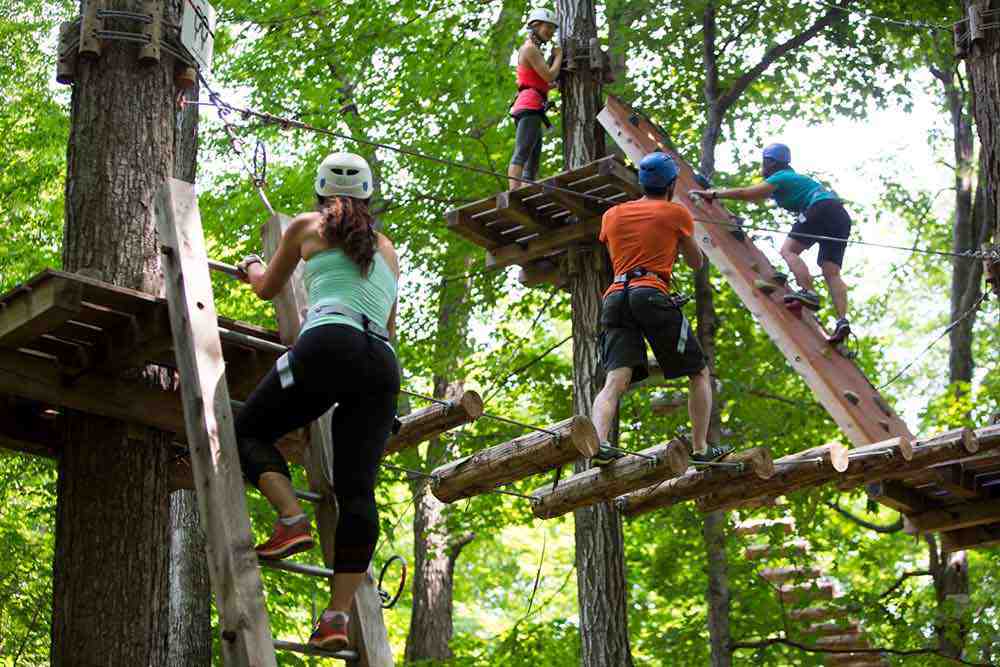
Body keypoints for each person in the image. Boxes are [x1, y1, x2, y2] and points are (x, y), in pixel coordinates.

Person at [233, 152, 400, 651]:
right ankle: (336, 616)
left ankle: (291, 519)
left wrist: (252, 266)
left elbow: (267, 290)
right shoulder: (387, 249)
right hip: (381, 365)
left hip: (328, 343)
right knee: (357, 492)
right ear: (369, 196)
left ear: (320, 191)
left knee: (249, 429)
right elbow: (389, 326)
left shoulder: (306, 225)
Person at [590, 152, 733, 467]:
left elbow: (615, 246)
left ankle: (597, 445)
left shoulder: (611, 215)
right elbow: (697, 263)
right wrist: (683, 240)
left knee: (614, 379)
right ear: (671, 184)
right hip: (650, 293)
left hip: (615, 297)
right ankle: (700, 449)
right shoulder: (676, 214)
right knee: (698, 372)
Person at [690, 143, 853, 344]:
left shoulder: (781, 177)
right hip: (839, 215)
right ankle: (842, 320)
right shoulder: (792, 180)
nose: (762, 167)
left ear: (771, 162)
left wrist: (713, 194)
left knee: (789, 250)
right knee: (831, 272)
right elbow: (755, 198)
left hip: (819, 207)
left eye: (764, 162)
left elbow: (746, 193)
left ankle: (809, 293)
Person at [507, 7, 562, 191]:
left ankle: (526, 189)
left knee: (533, 156)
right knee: (523, 152)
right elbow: (549, 76)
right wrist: (559, 57)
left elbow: (543, 82)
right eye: (548, 28)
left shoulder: (533, 50)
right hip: (529, 105)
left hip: (534, 106)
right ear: (535, 26)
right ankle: (514, 192)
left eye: (553, 30)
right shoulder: (529, 49)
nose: (551, 33)